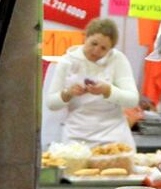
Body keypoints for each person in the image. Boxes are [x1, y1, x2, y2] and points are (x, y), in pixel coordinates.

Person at [44, 18, 139, 146]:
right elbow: (51, 104)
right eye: (93, 44)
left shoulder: (118, 60)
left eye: (103, 48)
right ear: (86, 37)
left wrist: (108, 91)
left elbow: (132, 100)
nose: (96, 51)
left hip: (114, 137)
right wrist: (68, 93)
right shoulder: (67, 61)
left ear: (110, 50)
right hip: (76, 138)